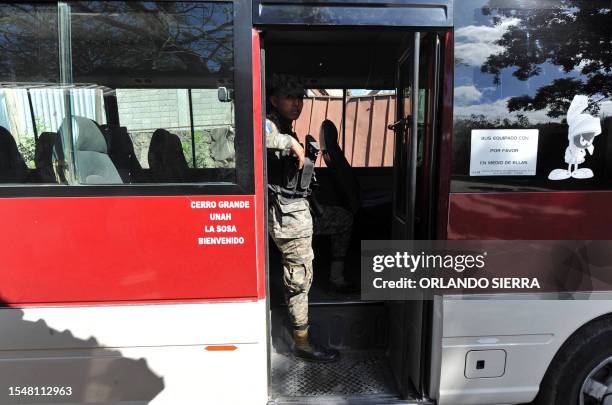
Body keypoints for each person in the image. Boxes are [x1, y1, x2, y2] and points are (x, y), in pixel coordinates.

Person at [266, 74, 352, 362]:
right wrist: (289, 143)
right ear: (274, 100)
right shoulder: (269, 124)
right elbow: (252, 133)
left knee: (344, 220)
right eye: (289, 97)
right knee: (300, 278)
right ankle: (302, 341)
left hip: (301, 209)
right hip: (287, 216)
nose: (296, 103)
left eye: (300, 98)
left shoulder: (286, 126)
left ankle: (336, 279)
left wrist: (317, 206)